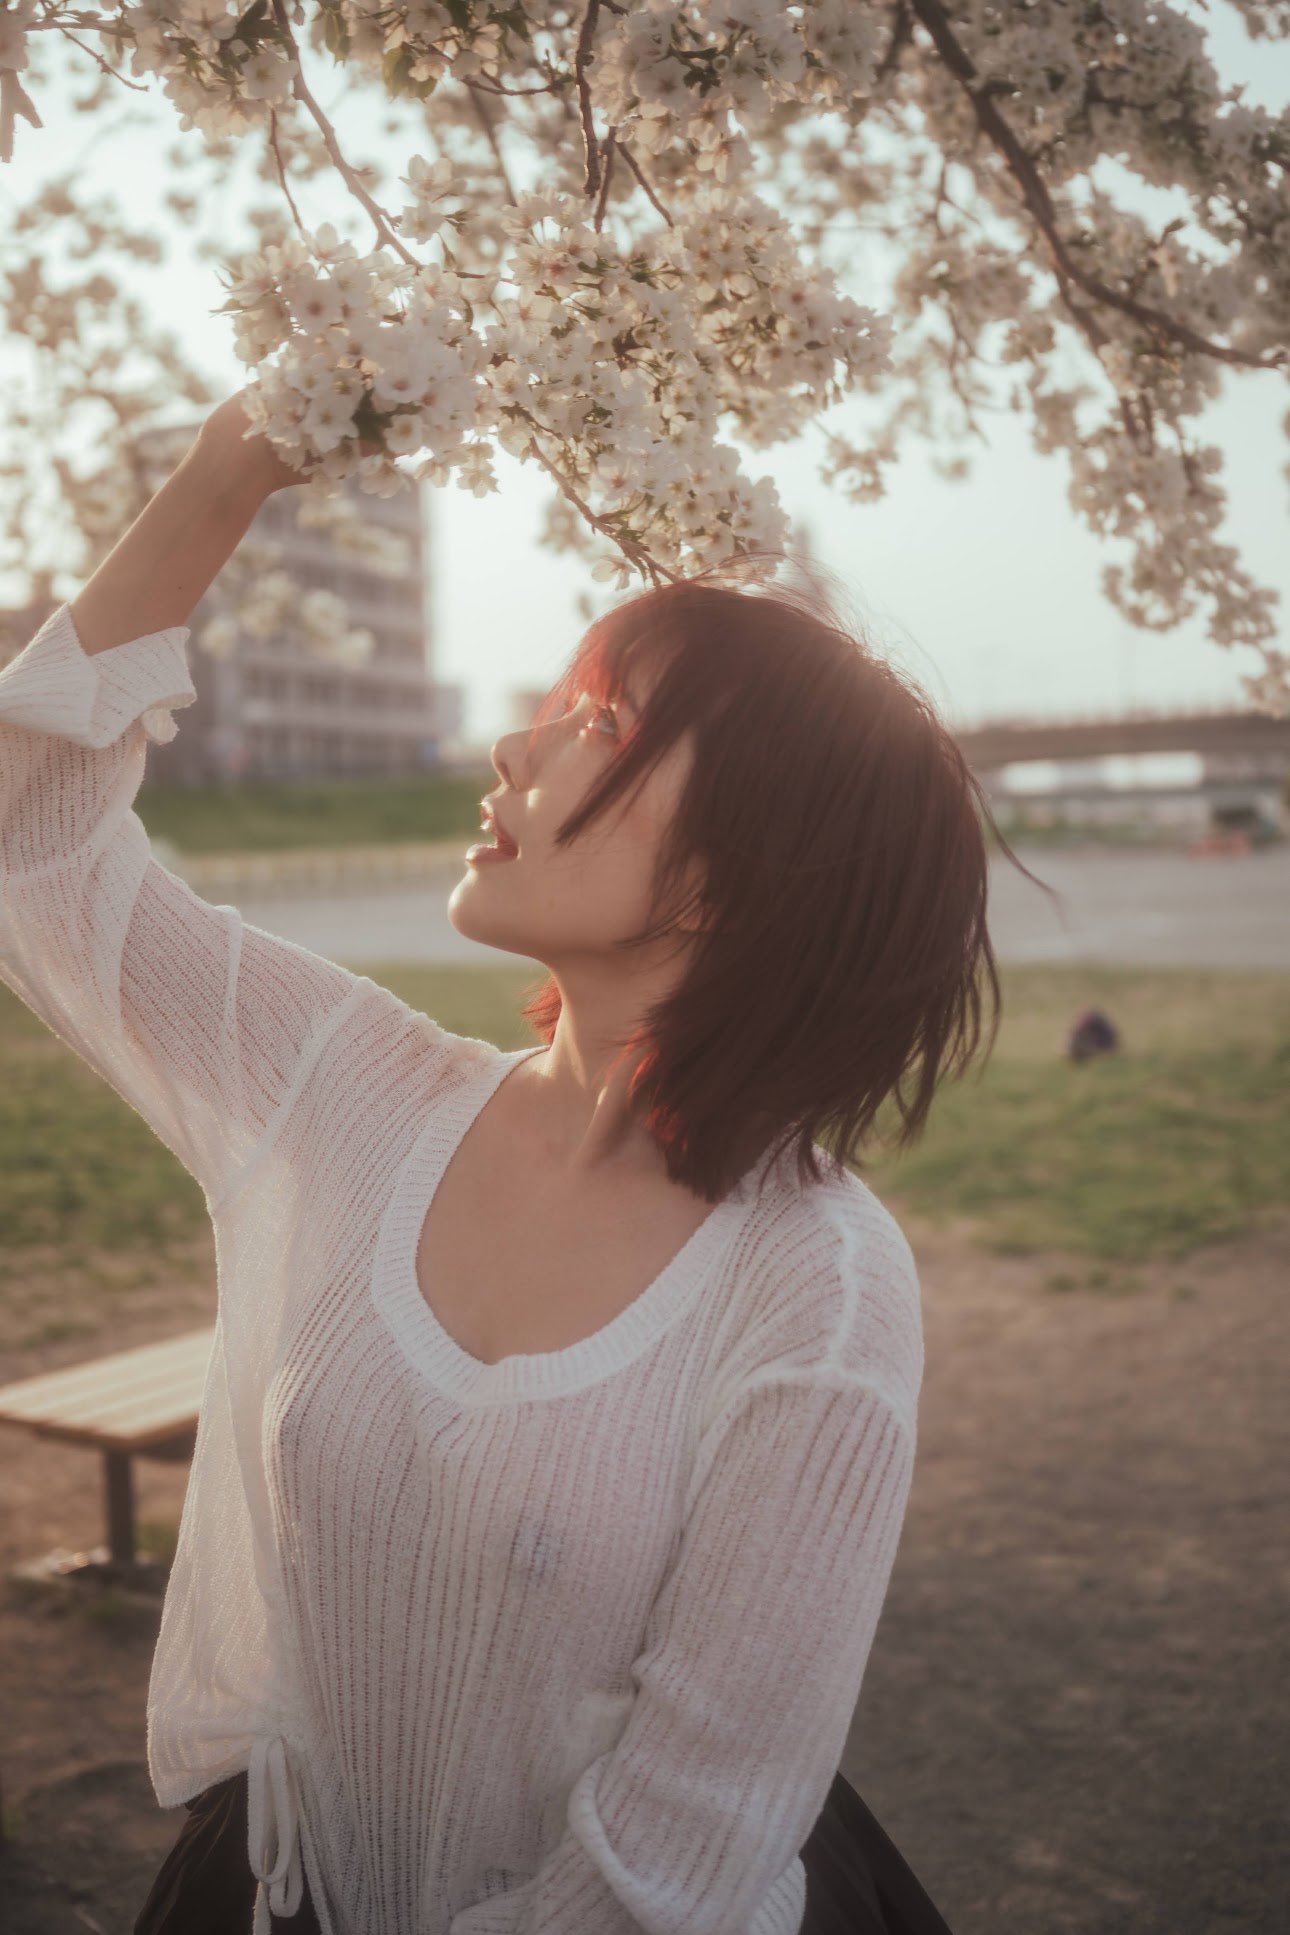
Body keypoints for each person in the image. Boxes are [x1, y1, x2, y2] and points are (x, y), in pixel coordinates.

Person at [0, 391, 1048, 1933]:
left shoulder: (813, 1286)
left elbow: (675, 1857)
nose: (511, 745)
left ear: (737, 872)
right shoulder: (353, 1091)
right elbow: (34, 844)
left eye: (600, 728)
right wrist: (233, 467)